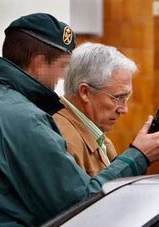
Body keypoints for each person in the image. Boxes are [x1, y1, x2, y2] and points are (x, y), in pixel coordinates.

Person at [0, 13, 159, 227]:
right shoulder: (25, 120)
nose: (63, 79)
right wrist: (139, 155)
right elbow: (79, 208)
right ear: (39, 63)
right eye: (62, 67)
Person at [54, 42, 142, 176]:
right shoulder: (63, 140)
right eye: (118, 97)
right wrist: (139, 155)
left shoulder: (97, 134)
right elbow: (88, 196)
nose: (124, 109)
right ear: (85, 92)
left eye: (127, 97)